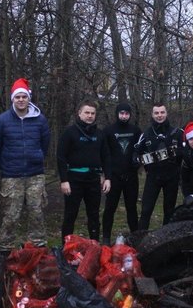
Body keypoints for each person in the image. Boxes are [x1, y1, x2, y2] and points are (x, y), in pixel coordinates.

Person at [0, 78, 51, 254]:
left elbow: (45, 143)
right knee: (10, 215)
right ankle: (6, 249)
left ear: (28, 98)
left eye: (24, 97)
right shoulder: (1, 121)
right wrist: (7, 165)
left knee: (36, 213)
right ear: (12, 99)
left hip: (35, 175)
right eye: (17, 97)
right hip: (11, 175)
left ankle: (37, 247)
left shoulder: (40, 120)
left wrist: (37, 157)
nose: (21, 100)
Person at [57, 99, 111, 241]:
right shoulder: (70, 133)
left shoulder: (99, 134)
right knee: (70, 215)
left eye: (92, 113)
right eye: (86, 112)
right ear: (79, 113)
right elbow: (61, 157)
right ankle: (66, 247)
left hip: (93, 180)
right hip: (74, 180)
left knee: (94, 215)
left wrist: (108, 178)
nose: (89, 116)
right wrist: (64, 180)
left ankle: (94, 244)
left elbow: (106, 157)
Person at [134, 103, 183, 230]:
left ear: (166, 113)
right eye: (156, 113)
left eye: (162, 112)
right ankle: (140, 239)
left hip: (172, 177)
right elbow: (136, 153)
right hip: (153, 177)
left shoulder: (177, 132)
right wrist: (137, 160)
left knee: (169, 211)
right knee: (146, 210)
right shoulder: (146, 134)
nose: (159, 115)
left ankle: (166, 240)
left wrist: (177, 153)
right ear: (152, 114)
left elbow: (186, 152)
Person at [101, 102, 142, 245]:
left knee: (132, 208)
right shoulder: (108, 131)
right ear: (117, 114)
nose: (124, 116)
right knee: (110, 208)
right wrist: (106, 175)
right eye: (121, 113)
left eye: (126, 113)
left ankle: (135, 236)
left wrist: (138, 163)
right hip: (114, 177)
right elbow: (105, 154)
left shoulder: (136, 131)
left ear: (130, 114)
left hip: (131, 176)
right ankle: (106, 238)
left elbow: (140, 151)